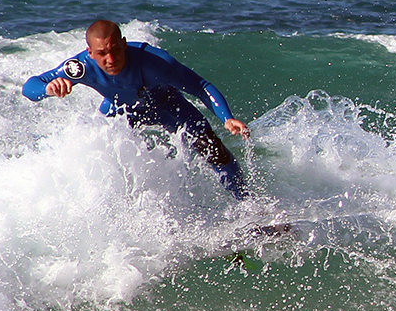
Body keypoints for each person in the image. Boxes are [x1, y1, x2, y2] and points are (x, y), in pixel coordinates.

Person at [23, 20, 250, 200]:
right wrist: (49, 89)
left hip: (167, 106)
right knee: (100, 160)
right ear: (90, 52)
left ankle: (246, 203)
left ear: (123, 43)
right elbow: (30, 87)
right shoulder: (80, 67)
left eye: (115, 50)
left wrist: (227, 118)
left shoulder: (154, 62)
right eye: (102, 53)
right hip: (120, 112)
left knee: (215, 152)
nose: (110, 59)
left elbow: (200, 86)